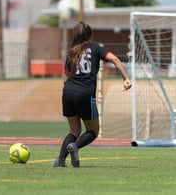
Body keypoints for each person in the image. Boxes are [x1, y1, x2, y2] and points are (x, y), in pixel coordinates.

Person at [53, 21, 131, 168]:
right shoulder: (96, 49)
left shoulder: (71, 52)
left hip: (68, 92)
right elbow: (114, 59)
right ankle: (75, 147)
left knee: (74, 130)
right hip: (85, 94)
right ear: (90, 35)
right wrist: (126, 79)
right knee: (93, 131)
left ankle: (60, 160)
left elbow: (65, 75)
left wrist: (70, 90)